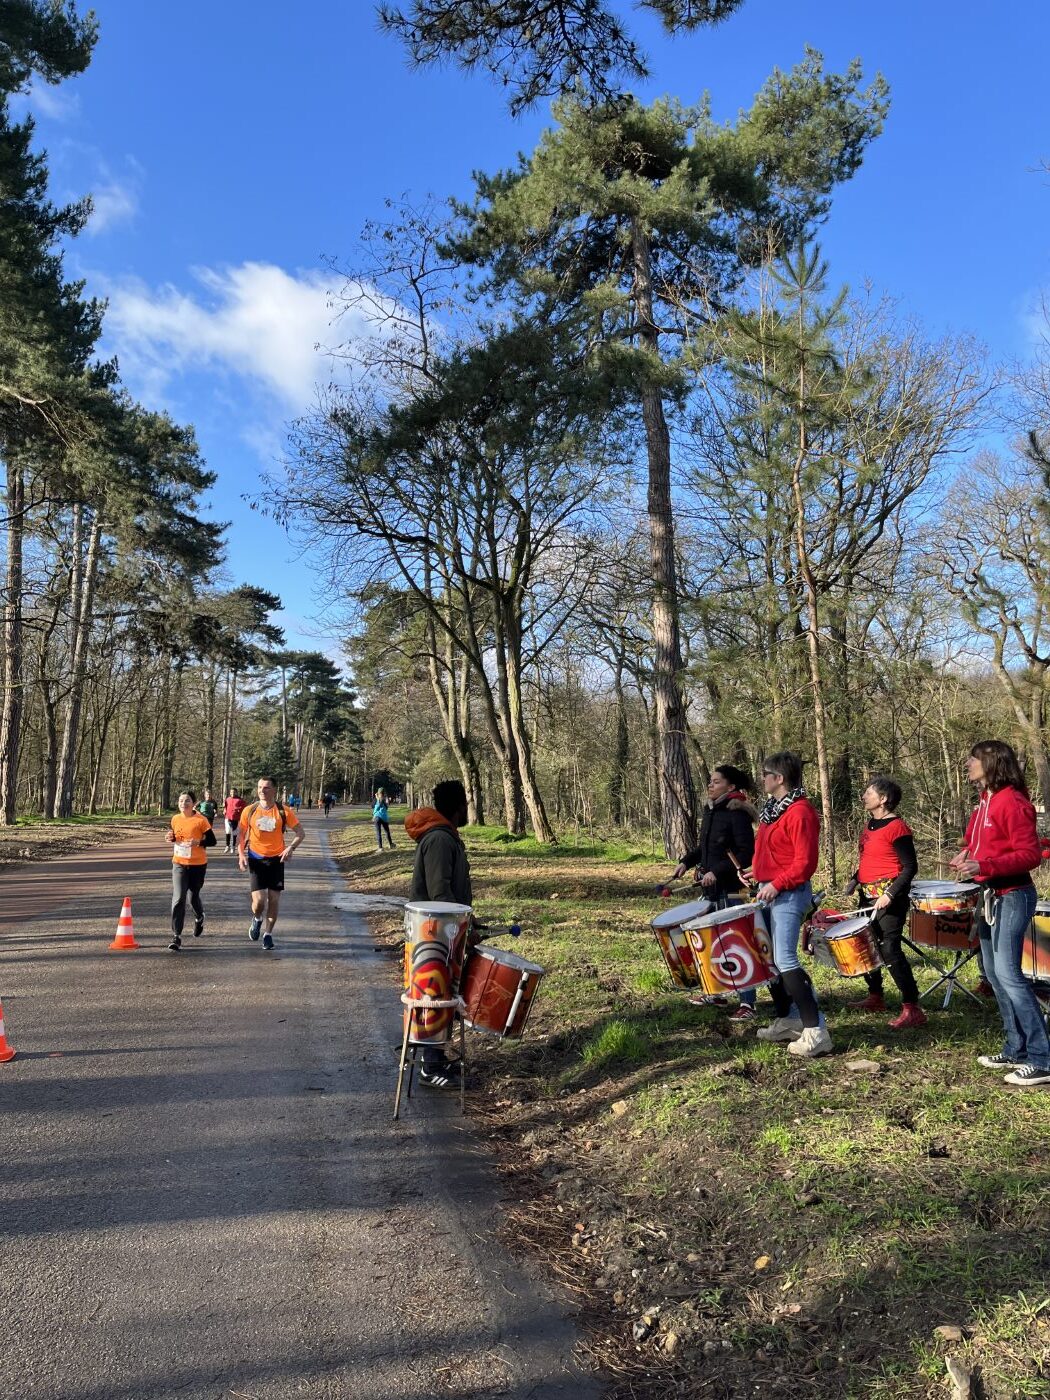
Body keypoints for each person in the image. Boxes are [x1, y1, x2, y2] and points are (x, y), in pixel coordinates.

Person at [950, 740, 1050, 1088]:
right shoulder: (985, 800)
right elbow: (975, 843)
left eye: (973, 759)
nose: (967, 764)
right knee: (993, 973)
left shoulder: (1013, 801)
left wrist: (985, 865)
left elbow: (1030, 855)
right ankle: (1015, 1049)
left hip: (1013, 895)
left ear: (991, 762)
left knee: (1009, 974)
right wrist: (967, 856)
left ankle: (1042, 1058)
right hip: (989, 895)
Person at [744, 751, 831, 1058]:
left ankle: (816, 1030)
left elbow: (804, 863)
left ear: (779, 778)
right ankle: (789, 1019)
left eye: (765, 774)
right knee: (769, 959)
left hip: (789, 894)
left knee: (785, 959)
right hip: (769, 890)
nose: (761, 779)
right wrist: (758, 871)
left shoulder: (800, 812)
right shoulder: (773, 811)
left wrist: (776, 883)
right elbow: (778, 853)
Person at [670, 764, 759, 1021]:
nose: (710, 785)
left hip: (732, 890)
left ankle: (748, 1003)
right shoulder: (711, 811)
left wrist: (717, 872)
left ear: (731, 787)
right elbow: (706, 848)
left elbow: (746, 853)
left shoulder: (737, 813)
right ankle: (717, 991)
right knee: (708, 941)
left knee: (736, 943)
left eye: (717, 782)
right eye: (710, 781)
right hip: (711, 889)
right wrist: (686, 862)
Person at [404, 779, 473, 1087]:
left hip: (444, 928)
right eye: (465, 803)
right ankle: (429, 1066)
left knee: (443, 994)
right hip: (435, 931)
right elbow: (439, 892)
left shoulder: (445, 837)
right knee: (434, 994)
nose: (468, 809)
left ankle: (435, 1057)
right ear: (458, 806)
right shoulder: (440, 840)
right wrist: (461, 924)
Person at [844, 775, 926, 1029]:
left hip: (890, 899)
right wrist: (855, 880)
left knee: (889, 948)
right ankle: (875, 996)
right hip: (867, 895)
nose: (863, 796)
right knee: (866, 944)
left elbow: (910, 867)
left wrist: (889, 894)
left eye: (869, 793)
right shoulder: (870, 824)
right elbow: (871, 859)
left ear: (883, 799)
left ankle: (912, 1007)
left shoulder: (898, 828)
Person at [237, 776, 304, 950]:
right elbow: (241, 834)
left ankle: (268, 934)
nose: (262, 790)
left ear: (274, 790)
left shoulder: (283, 811)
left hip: (276, 860)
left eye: (266, 787)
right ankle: (257, 918)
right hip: (256, 859)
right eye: (260, 787)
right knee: (259, 902)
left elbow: (300, 833)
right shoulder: (249, 810)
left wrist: (291, 848)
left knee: (273, 900)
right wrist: (241, 854)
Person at [166, 790, 213, 952]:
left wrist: (198, 842)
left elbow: (212, 840)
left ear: (193, 803)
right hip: (179, 863)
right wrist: (170, 837)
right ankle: (176, 936)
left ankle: (199, 917)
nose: (183, 803)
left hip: (198, 865)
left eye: (187, 801)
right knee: (179, 898)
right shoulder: (175, 819)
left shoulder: (201, 820)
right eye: (181, 801)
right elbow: (175, 836)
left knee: (193, 898)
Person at [223, 788, 246, 853]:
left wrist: (238, 809)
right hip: (228, 817)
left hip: (236, 818)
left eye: (234, 792)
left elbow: (244, 808)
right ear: (230, 793)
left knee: (234, 833)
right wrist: (224, 810)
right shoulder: (227, 799)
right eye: (231, 792)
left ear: (236, 792)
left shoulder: (240, 800)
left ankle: (233, 846)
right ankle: (227, 846)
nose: (232, 793)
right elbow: (225, 807)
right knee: (228, 831)